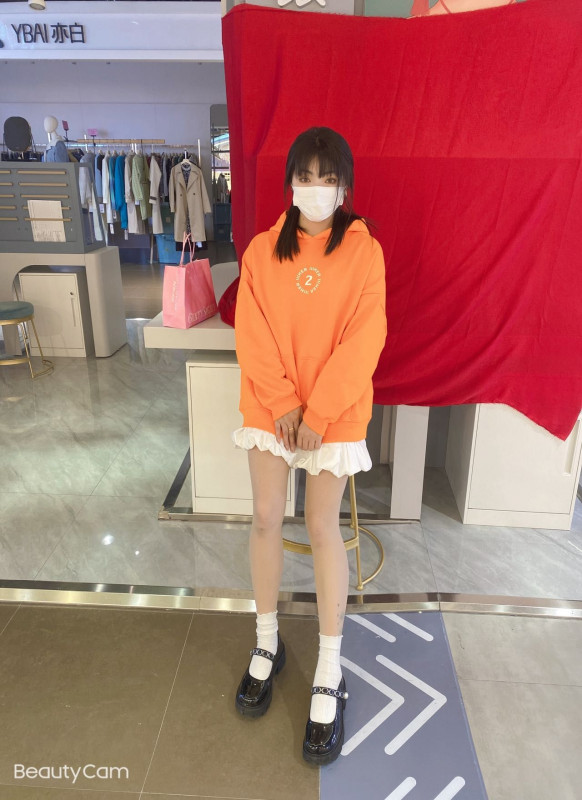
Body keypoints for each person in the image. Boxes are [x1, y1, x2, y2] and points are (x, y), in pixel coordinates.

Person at [232, 127, 387, 765]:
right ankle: (267, 640)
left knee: (322, 525)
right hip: (272, 404)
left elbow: (364, 339)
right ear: (290, 182)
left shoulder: (364, 250)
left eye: (328, 178)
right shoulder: (262, 250)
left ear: (344, 186)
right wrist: (286, 406)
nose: (316, 189)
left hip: (335, 411)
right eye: (306, 176)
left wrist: (318, 413)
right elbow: (252, 332)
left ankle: (329, 666)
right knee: (267, 516)